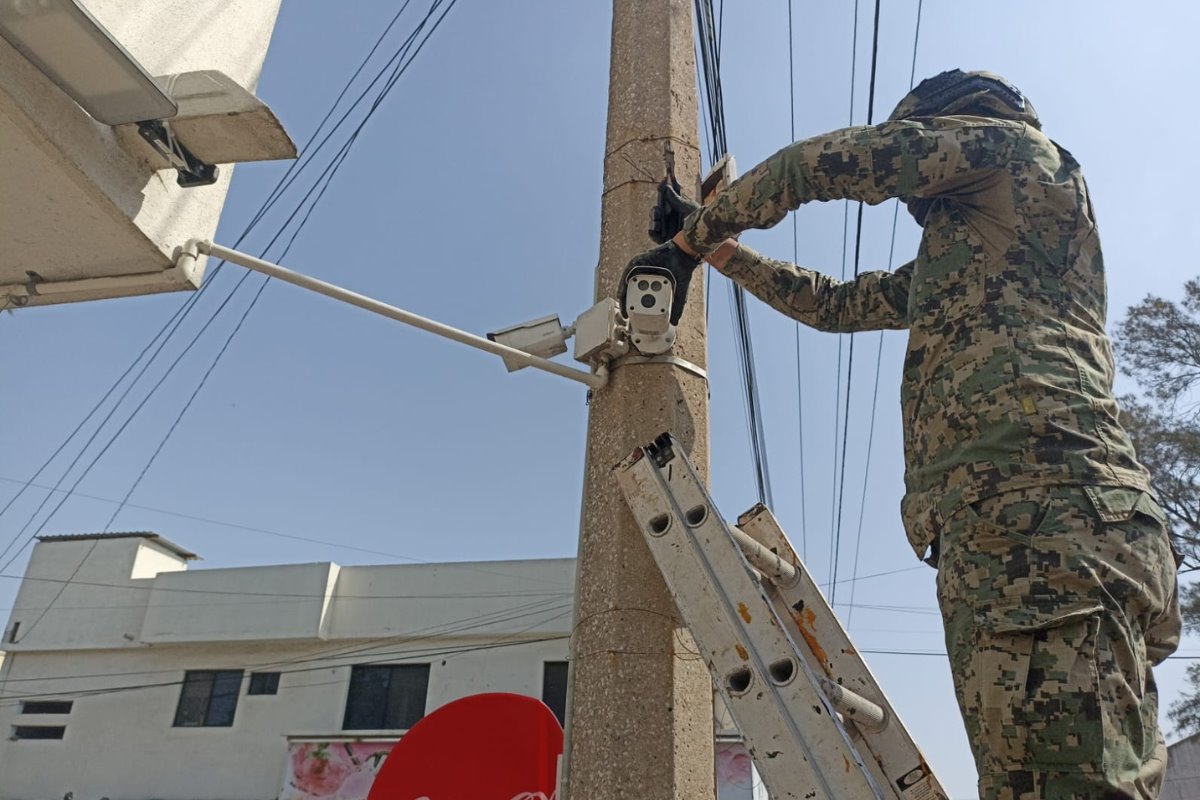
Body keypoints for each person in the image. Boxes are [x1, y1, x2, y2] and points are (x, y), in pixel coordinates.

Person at [625, 69, 1183, 800]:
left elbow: (832, 164)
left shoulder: (1020, 155)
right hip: (1039, 523)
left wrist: (695, 236)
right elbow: (834, 304)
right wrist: (723, 256)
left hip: (1038, 514)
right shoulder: (981, 249)